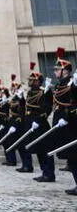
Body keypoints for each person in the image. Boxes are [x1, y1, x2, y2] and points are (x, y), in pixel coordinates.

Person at [36, 48, 77, 191]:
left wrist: (66, 117)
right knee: (63, 153)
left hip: (69, 123)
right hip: (60, 122)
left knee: (73, 156)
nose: (54, 71)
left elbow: (73, 102)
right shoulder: (61, 84)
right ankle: (48, 173)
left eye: (57, 69)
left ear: (65, 70)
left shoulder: (71, 83)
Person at [19, 63, 54, 178]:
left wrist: (39, 120)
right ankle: (44, 172)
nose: (30, 82)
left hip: (40, 124)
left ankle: (49, 173)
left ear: (38, 82)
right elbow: (27, 106)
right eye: (30, 80)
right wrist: (21, 99)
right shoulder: (30, 92)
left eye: (32, 80)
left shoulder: (43, 92)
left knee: (44, 149)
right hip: (30, 123)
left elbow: (47, 108)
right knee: (38, 149)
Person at [0, 80, 17, 166]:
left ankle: (12, 160)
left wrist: (5, 102)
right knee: (4, 143)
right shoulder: (1, 101)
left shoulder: (8, 101)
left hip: (6, 123)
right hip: (0, 123)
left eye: (1, 93)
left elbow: (7, 112)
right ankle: (8, 159)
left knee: (9, 142)